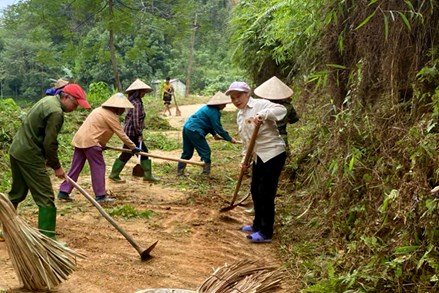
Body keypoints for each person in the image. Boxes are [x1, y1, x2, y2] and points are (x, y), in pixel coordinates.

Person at [8, 84, 90, 239]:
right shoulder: (56, 112)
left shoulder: (47, 101)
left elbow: (38, 133)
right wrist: (57, 166)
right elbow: (50, 143)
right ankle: (48, 240)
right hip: (29, 155)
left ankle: (4, 229)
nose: (75, 108)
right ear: (66, 97)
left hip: (17, 150)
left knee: (17, 193)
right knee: (46, 197)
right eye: (75, 104)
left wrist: (46, 158)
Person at [225, 81, 287, 243]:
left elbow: (282, 110)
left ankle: (266, 232)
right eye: (232, 98)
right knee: (255, 190)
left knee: (266, 193)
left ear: (247, 94)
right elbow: (246, 141)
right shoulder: (240, 115)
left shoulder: (260, 104)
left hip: (273, 152)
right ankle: (257, 224)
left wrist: (263, 115)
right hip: (258, 156)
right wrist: (244, 160)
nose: (236, 100)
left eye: (239, 96)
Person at [58, 93, 141, 202]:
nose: (123, 111)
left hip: (80, 140)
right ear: (117, 107)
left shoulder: (98, 110)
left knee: (75, 168)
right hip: (91, 143)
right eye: (122, 108)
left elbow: (97, 129)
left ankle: (64, 191)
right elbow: (121, 134)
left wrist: (102, 145)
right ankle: (100, 195)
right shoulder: (111, 116)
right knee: (98, 167)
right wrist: (133, 147)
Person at [109, 79, 159, 183]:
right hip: (132, 133)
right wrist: (139, 133)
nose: (144, 93)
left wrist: (142, 126)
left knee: (134, 153)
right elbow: (135, 120)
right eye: (143, 91)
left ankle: (146, 175)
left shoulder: (135, 101)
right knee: (137, 153)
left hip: (130, 132)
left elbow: (138, 119)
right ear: (138, 92)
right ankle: (115, 175)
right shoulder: (136, 103)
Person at [177, 91, 237, 176]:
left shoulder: (207, 108)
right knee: (206, 152)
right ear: (218, 104)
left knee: (187, 152)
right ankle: (205, 173)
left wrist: (214, 134)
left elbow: (209, 124)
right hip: (195, 131)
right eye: (224, 104)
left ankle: (180, 171)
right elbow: (218, 128)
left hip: (187, 128)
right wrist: (229, 138)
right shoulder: (215, 112)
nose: (225, 106)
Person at [254, 76, 299, 155]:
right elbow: (293, 120)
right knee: (283, 157)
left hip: (264, 136)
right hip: (281, 136)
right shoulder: (288, 106)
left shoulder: (261, 104)